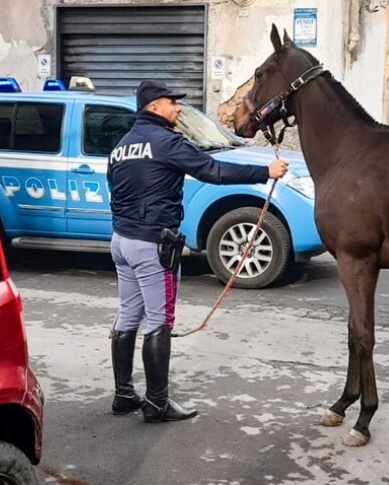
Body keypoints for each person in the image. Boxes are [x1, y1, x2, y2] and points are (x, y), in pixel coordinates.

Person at [106, 80, 289, 422]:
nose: (178, 108)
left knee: (129, 315)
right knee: (159, 321)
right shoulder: (166, 142)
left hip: (121, 241)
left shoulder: (121, 146)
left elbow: (114, 192)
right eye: (171, 102)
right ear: (154, 107)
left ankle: (123, 394)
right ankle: (157, 403)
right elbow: (213, 170)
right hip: (152, 246)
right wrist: (265, 171)